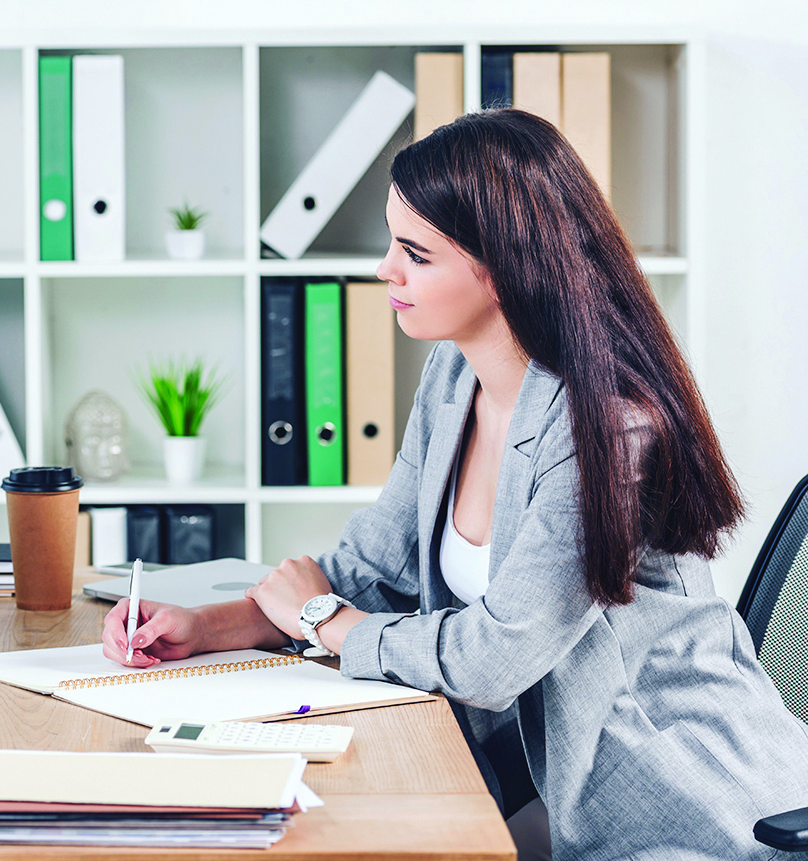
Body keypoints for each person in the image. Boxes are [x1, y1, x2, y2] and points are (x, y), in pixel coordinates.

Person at [102, 109, 808, 861]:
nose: (386, 270)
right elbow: (377, 566)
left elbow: (493, 658)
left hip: (676, 803)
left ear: (504, 266)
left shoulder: (607, 428)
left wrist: (323, 619)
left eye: (416, 253)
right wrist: (210, 627)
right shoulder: (454, 376)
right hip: (533, 775)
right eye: (392, 243)